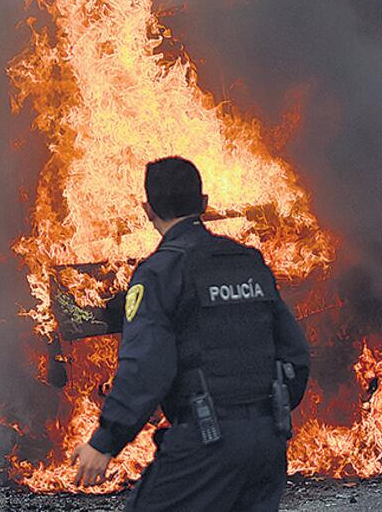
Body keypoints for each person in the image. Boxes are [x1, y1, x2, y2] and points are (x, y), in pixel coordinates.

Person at [71, 156, 310, 510]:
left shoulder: (159, 272)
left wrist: (106, 441)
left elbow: (145, 366)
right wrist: (263, 417)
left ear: (147, 209)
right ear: (204, 204)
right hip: (268, 441)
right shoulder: (248, 262)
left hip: (207, 440)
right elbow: (295, 355)